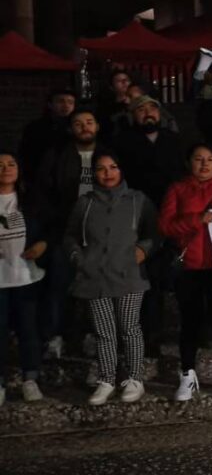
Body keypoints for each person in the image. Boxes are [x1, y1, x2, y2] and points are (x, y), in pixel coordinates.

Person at [65, 151, 157, 406]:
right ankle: (106, 379)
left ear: (121, 170)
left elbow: (153, 232)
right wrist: (77, 258)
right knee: (104, 332)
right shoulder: (85, 203)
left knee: (129, 327)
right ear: (94, 173)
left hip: (129, 274)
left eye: (113, 167)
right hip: (94, 275)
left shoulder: (138, 200)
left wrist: (142, 251)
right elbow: (70, 235)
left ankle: (135, 378)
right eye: (102, 169)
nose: (108, 173)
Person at [159, 144, 212, 401]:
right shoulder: (178, 189)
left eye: (210, 159)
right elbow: (165, 226)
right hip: (190, 267)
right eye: (199, 159)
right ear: (189, 163)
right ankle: (187, 374)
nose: (204, 164)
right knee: (190, 323)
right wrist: (197, 220)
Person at [113, 94, 186, 356]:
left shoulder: (175, 141)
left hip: (174, 214)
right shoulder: (123, 143)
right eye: (140, 109)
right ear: (133, 115)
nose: (147, 113)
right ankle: (148, 335)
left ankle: (193, 332)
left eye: (152, 108)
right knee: (146, 278)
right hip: (138, 217)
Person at [34, 109, 105, 359]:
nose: (84, 127)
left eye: (89, 122)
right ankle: (55, 337)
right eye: (78, 124)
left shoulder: (109, 155)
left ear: (97, 126)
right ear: (70, 129)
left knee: (96, 288)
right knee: (59, 285)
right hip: (66, 232)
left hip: (100, 234)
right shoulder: (56, 156)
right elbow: (44, 194)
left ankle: (91, 335)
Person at [0, 151, 47, 406]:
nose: (6, 168)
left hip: (25, 275)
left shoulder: (30, 201)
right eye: (0, 165)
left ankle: (30, 379)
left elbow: (48, 229)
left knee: (28, 329)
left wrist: (42, 244)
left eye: (11, 164)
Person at [18, 88, 75, 183]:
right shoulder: (35, 127)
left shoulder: (76, 127)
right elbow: (26, 155)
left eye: (70, 102)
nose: (66, 105)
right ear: (50, 104)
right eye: (61, 101)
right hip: (40, 179)